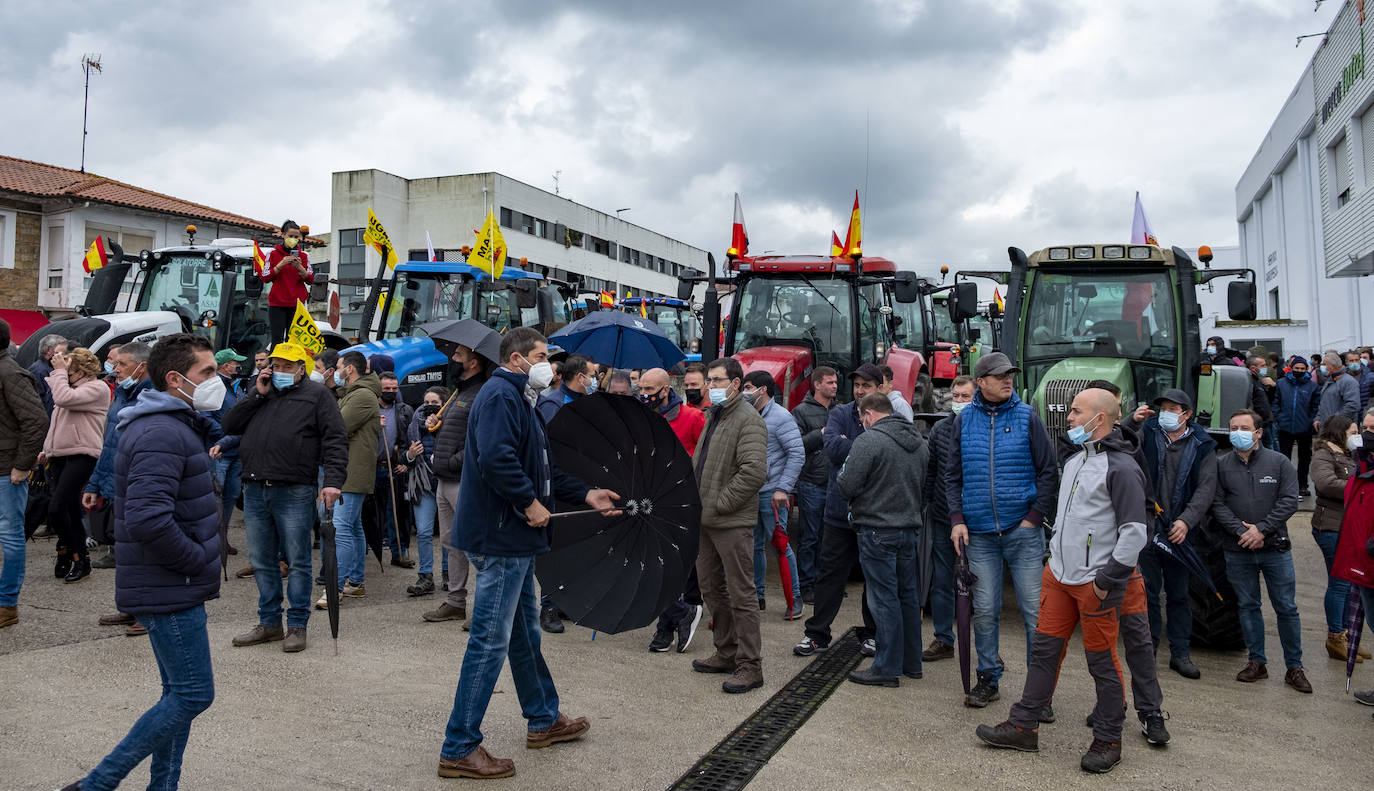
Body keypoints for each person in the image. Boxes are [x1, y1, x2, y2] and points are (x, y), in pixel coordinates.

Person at [437, 327, 618, 779]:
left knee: (522, 635)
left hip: (514, 539)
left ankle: (543, 718)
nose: (548, 364)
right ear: (516, 358)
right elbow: (498, 459)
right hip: (502, 538)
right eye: (540, 355)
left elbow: (544, 468)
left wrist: (587, 493)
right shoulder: (501, 395)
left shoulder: (522, 400)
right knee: (490, 641)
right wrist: (527, 503)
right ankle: (459, 745)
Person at [61, 333, 222, 791]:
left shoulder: (174, 422)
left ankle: (162, 786)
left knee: (179, 694)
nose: (216, 381)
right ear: (175, 379)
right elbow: (150, 519)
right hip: (169, 582)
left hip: (171, 582)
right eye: (206, 373)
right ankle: (96, 784)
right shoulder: (160, 431)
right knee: (193, 694)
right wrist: (195, 562)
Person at [975, 387, 1150, 775]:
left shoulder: (1121, 468)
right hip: (1059, 576)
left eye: (1075, 412)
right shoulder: (1075, 460)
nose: (1068, 418)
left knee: (1102, 664)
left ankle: (1108, 739)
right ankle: (1023, 725)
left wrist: (1106, 580)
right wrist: (1053, 563)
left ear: (1099, 419)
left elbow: (1136, 533)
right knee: (1044, 653)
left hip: (1094, 584)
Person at [945, 352, 1059, 711]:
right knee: (985, 609)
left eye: (1010, 374)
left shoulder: (1027, 417)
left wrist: (1034, 515)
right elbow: (952, 476)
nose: (1007, 380)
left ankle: (1039, 694)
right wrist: (957, 519)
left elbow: (1048, 470)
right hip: (978, 534)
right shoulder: (964, 422)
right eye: (998, 376)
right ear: (981, 382)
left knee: (1034, 614)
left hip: (1021, 532)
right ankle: (988, 678)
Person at [226, 341, 346, 654]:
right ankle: (268, 623)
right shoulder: (260, 392)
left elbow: (335, 439)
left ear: (301, 368)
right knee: (262, 561)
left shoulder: (318, 396)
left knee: (298, 561)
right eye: (275, 365)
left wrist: (332, 481)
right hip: (254, 488)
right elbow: (230, 424)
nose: (279, 371)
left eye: (286, 366)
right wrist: (256, 394)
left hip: (294, 488)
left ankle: (296, 625)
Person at [1212, 409, 1309, 692]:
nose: (1237, 432)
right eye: (1233, 427)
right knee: (1247, 605)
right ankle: (1257, 662)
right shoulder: (1221, 465)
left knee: (1286, 608)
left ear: (1258, 432)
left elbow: (1289, 500)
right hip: (1237, 548)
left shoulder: (1279, 462)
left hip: (1275, 549)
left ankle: (1295, 667)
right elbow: (1217, 504)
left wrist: (1261, 529)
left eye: (1244, 427)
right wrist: (1242, 531)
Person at [689, 357, 768, 694]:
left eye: (718, 381)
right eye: (710, 380)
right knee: (711, 588)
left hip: (730, 520)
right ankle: (726, 651)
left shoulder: (748, 420)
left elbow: (753, 472)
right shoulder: (715, 416)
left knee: (741, 594)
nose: (712, 386)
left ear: (736, 384)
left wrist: (720, 503)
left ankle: (750, 666)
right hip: (705, 520)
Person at [837, 393, 927, 686]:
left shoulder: (869, 440)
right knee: (908, 597)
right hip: (909, 528)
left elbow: (847, 483)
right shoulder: (918, 443)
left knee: (883, 600)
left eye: (862, 418)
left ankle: (886, 667)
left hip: (877, 529)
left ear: (868, 414)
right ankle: (911, 662)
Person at [1127, 389, 1216, 681]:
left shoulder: (1204, 445)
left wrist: (1186, 522)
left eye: (1172, 408)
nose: (1165, 412)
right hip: (1149, 527)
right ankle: (1147, 651)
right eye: (1162, 407)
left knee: (1178, 595)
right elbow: (1121, 444)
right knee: (1147, 593)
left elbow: (1205, 490)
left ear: (1187, 414)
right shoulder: (1148, 432)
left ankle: (1180, 653)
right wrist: (1131, 420)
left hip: (1180, 533)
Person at [793, 364, 881, 658]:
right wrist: (863, 448)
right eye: (856, 385)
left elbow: (882, 455)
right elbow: (833, 449)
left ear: (879, 388)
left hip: (873, 515)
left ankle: (872, 635)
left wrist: (852, 446)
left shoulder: (887, 416)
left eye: (866, 385)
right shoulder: (839, 414)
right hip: (838, 512)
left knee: (873, 576)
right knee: (829, 576)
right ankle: (817, 635)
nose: (859, 390)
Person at [639, 367, 706, 653]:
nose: (644, 395)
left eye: (650, 391)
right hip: (650, 500)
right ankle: (676, 616)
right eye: (641, 389)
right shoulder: (642, 417)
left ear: (666, 389)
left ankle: (668, 624)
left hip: (681, 501)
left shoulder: (692, 417)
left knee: (668, 566)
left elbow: (704, 459)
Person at [423, 340, 490, 624]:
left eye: (459, 355)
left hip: (463, 481)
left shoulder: (480, 394)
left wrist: (452, 461)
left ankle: (486, 607)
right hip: (444, 481)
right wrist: (435, 425)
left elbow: (480, 442)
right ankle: (455, 601)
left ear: (473, 362)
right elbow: (455, 433)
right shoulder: (458, 393)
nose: (453, 358)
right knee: (452, 543)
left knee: (475, 546)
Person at [316, 351, 381, 610]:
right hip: (350, 470)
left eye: (339, 367)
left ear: (350, 370)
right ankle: (355, 581)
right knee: (353, 527)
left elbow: (337, 427)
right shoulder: (354, 393)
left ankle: (336, 585)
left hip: (352, 472)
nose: (336, 370)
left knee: (340, 528)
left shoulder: (363, 395)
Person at [41, 346, 108, 585]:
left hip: (83, 453)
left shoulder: (97, 388)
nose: (64, 376)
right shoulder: (71, 386)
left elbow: (63, 399)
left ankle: (74, 552)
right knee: (66, 510)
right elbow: (58, 422)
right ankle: (74, 555)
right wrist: (47, 449)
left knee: (57, 508)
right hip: (60, 454)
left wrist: (59, 373)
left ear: (81, 371)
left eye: (69, 372)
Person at [84, 342, 153, 574]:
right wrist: (94, 484)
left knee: (137, 556)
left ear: (141, 366)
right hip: (115, 482)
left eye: (122, 363)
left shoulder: (152, 398)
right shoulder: (122, 394)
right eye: (115, 363)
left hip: (136, 486)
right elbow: (108, 445)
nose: (116, 369)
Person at [741, 370, 804, 619]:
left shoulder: (781, 417)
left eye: (748, 387)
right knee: (754, 547)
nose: (745, 392)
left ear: (762, 390)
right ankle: (758, 596)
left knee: (780, 545)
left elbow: (797, 454)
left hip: (772, 494)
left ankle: (794, 597)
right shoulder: (748, 415)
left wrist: (783, 488)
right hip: (750, 493)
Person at [920, 374, 974, 662]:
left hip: (977, 520)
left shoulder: (981, 429)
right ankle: (943, 638)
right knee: (942, 580)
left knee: (981, 586)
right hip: (943, 516)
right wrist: (926, 503)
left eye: (966, 397)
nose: (960, 402)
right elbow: (932, 471)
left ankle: (989, 649)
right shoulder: (941, 429)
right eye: (956, 397)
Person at [0, 318, 47, 629]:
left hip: (6, 470)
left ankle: (7, 605)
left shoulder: (10, 372)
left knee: (10, 535)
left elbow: (36, 421)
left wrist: (22, 465)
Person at [1309, 415, 1366, 662]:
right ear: (1339, 433)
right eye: (1353, 432)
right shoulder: (1324, 455)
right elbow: (1326, 483)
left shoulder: (1348, 454)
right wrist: (1363, 486)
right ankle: (1335, 637)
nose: (1357, 436)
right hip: (1331, 526)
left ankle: (1347, 636)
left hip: (1349, 526)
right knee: (1340, 583)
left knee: (1351, 584)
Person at [1331, 419, 1374, 712]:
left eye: (1372, 430)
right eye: (1364, 429)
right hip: (1362, 565)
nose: (1365, 436)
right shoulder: (1362, 467)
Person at [791, 366, 838, 603]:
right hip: (812, 483)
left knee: (829, 537)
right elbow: (796, 445)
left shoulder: (840, 411)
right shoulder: (800, 412)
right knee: (810, 536)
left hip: (836, 483)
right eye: (829, 382)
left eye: (835, 382)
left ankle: (824, 583)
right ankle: (806, 585)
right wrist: (820, 433)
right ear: (817, 384)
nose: (834, 386)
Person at [403, 386, 449, 596]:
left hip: (447, 482)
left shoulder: (450, 424)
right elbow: (404, 457)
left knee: (449, 534)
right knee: (423, 531)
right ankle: (425, 576)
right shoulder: (414, 425)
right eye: (426, 402)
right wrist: (410, 455)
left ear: (443, 404)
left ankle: (449, 575)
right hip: (423, 485)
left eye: (434, 403)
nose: (429, 407)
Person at [205, 349, 247, 557]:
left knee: (230, 496)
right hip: (219, 452)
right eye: (234, 362)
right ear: (224, 366)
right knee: (216, 499)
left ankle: (223, 538)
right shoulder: (214, 387)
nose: (238, 366)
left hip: (236, 452)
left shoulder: (234, 387)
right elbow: (206, 417)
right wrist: (226, 437)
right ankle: (213, 541)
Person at [375, 370, 414, 568]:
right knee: (372, 514)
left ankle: (399, 552)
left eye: (394, 388)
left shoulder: (405, 410)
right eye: (386, 388)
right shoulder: (370, 408)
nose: (391, 391)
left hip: (393, 467)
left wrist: (404, 461)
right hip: (371, 468)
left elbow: (409, 438)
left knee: (396, 513)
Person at [259, 220, 315, 344]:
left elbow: (311, 279)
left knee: (293, 341)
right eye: (290, 236)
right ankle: (276, 363)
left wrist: (299, 267)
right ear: (283, 235)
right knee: (277, 339)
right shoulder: (272, 254)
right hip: (277, 304)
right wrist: (281, 264)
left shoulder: (304, 256)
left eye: (296, 237)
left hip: (297, 305)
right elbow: (265, 277)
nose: (293, 239)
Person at [1273, 355, 1320, 496]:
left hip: (1304, 428)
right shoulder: (1281, 384)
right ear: (1291, 368)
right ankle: (1284, 485)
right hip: (1285, 428)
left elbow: (1316, 407)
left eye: (1302, 368)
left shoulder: (1313, 387)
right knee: (1284, 458)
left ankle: (1302, 485)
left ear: (1306, 369)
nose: (1299, 370)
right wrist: (1279, 418)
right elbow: (1275, 403)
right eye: (1296, 368)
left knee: (1304, 459)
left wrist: (1309, 422)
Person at [535, 354, 593, 425]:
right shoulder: (553, 405)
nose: (595, 380)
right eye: (592, 376)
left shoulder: (584, 402)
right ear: (580, 377)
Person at [1315, 351, 1360, 429]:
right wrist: (1319, 418)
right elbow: (1324, 403)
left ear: (1332, 366)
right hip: (1327, 427)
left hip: (1340, 428)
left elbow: (1353, 406)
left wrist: (1334, 421)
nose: (1323, 368)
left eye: (1325, 364)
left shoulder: (1348, 381)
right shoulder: (1330, 380)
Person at [28, 333, 68, 416]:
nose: (64, 357)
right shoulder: (39, 371)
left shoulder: (48, 368)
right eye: (61, 353)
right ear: (49, 350)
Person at [1246, 355, 1278, 450]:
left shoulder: (1258, 381)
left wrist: (1272, 386)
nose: (1266, 368)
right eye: (1263, 366)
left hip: (1266, 422)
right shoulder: (1249, 382)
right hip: (1258, 424)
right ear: (1253, 368)